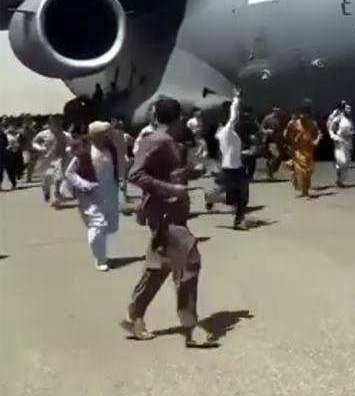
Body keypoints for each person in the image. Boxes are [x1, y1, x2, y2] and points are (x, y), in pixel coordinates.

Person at [121, 97, 217, 348]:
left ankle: (135, 316)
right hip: (164, 214)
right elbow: (135, 174)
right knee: (190, 261)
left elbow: (163, 172)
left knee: (158, 267)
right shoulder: (156, 141)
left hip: (170, 212)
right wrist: (170, 188)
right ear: (179, 117)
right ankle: (190, 327)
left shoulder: (170, 142)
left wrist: (191, 173)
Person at [64, 122, 121, 271]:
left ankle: (101, 254)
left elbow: (118, 168)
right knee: (98, 225)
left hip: (109, 194)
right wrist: (84, 184)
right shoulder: (84, 152)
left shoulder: (111, 149)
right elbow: (69, 173)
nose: (108, 135)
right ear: (94, 135)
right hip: (90, 195)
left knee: (106, 226)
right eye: (104, 132)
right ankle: (101, 259)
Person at [215, 90, 249, 230]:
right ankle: (212, 197)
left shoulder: (228, 134)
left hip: (237, 168)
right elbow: (234, 116)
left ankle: (239, 221)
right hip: (229, 169)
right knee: (232, 199)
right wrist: (236, 98)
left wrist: (244, 153)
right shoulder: (226, 131)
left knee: (243, 198)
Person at [31, 116, 72, 205]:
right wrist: (40, 148)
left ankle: (57, 192)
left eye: (58, 123)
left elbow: (69, 144)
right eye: (55, 123)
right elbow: (34, 142)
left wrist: (68, 149)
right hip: (46, 160)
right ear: (50, 124)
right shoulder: (43, 134)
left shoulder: (66, 135)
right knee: (47, 179)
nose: (57, 125)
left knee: (58, 177)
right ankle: (46, 190)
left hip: (59, 159)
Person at [283, 101, 321, 198]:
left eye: (306, 114)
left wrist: (317, 140)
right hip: (298, 150)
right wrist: (291, 138)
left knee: (308, 171)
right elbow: (286, 135)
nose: (303, 116)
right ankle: (301, 186)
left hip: (309, 150)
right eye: (302, 114)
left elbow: (319, 133)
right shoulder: (294, 123)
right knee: (301, 170)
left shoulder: (312, 123)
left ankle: (305, 189)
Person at [328, 102, 355, 187]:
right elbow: (331, 129)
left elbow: (352, 131)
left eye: (350, 108)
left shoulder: (350, 120)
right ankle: (337, 166)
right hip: (339, 142)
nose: (349, 110)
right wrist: (334, 137)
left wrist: (352, 142)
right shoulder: (338, 119)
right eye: (347, 108)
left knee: (347, 163)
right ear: (343, 109)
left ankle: (340, 181)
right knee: (342, 161)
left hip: (348, 143)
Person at [259, 105, 286, 179]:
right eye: (275, 108)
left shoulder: (281, 119)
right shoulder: (268, 118)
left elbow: (283, 129)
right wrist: (267, 131)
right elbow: (261, 128)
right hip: (271, 140)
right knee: (276, 156)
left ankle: (270, 172)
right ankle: (269, 172)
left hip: (279, 141)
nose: (277, 110)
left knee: (276, 158)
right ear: (273, 109)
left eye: (278, 108)